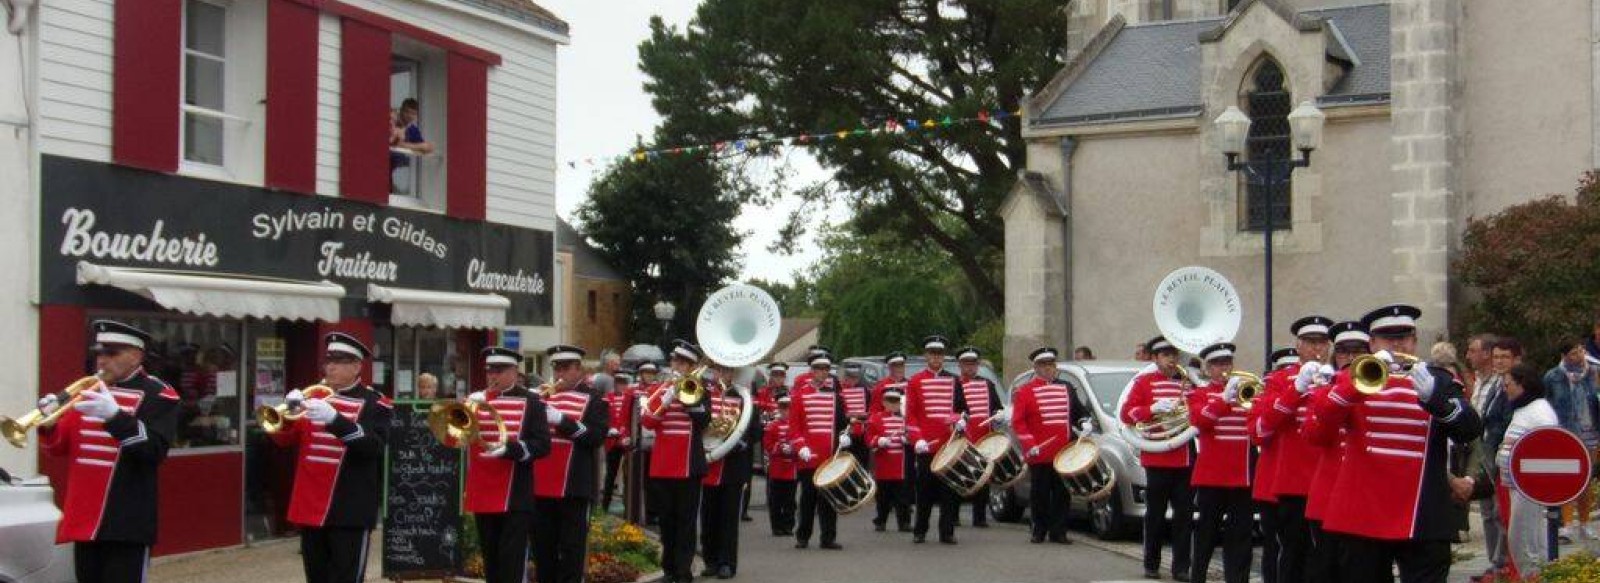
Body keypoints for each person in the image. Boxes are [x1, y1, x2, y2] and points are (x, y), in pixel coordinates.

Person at [1312, 304, 1481, 583]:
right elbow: (1322, 416)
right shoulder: (1349, 378)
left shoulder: (1439, 380)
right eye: (1386, 337)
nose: (1395, 343)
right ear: (1372, 343)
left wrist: (1435, 400)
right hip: (1363, 510)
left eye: (1403, 336)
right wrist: (1356, 382)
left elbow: (1470, 429)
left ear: (1414, 342)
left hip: (1422, 510)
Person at [36, 321, 179, 583]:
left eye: (112, 354)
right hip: (83, 519)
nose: (102, 361)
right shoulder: (85, 391)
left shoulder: (159, 395)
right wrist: (48, 425)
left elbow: (154, 451)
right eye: (99, 353)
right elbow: (57, 449)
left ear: (136, 356)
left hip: (126, 520)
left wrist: (114, 417)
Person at [268, 332, 393, 583]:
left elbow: (374, 447)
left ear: (357, 366)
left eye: (340, 361)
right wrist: (288, 413)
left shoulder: (376, 403)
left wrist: (335, 420)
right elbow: (285, 441)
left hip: (349, 510)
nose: (331, 367)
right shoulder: (313, 397)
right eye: (328, 361)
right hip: (310, 507)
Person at [461, 347, 552, 583]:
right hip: (483, 491)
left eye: (499, 370)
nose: (492, 376)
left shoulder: (532, 402)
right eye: (489, 370)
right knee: (491, 561)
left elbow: (542, 445)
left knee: (511, 563)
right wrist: (466, 411)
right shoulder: (476, 400)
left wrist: (510, 449)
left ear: (514, 371)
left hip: (515, 493)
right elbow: (454, 438)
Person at [1258, 315, 1334, 583]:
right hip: (1296, 482)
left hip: (1331, 480)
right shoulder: (1281, 380)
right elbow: (1264, 424)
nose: (1316, 349)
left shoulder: (1341, 376)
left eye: (1322, 343)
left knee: (1327, 558)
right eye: (1310, 342)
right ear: (1298, 346)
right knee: (1293, 555)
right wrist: (1297, 388)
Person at [1468, 364, 1559, 580]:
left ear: (1522, 385)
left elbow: (1549, 449)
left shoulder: (1539, 411)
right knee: (1518, 540)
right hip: (1516, 487)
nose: (1505, 389)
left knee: (1528, 542)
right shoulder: (1523, 409)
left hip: (1530, 490)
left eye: (1508, 385)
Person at [1120, 335, 1195, 580]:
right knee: (1155, 515)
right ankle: (1151, 564)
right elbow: (1126, 414)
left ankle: (1181, 567)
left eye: (1174, 355)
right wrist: (1150, 410)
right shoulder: (1144, 383)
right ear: (1154, 358)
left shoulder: (1187, 382)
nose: (1171, 360)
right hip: (1157, 458)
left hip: (1184, 457)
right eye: (1165, 355)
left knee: (1184, 517)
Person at [1301, 321, 1369, 583]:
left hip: (1366, 494)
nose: (1351, 358)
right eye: (1344, 352)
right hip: (1330, 492)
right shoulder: (1325, 388)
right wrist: (1331, 393)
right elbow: (1314, 435)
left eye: (1358, 351)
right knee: (1325, 568)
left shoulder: (1381, 386)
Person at [641, 341, 712, 583]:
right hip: (662, 467)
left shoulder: (701, 389)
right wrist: (666, 401)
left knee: (686, 522)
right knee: (667, 522)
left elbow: (704, 421)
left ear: (692, 367)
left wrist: (687, 399)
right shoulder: (661, 389)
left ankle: (684, 572)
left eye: (682, 363)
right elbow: (647, 422)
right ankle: (669, 569)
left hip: (688, 467)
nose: (677, 366)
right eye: (675, 361)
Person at [1187, 342, 1254, 583]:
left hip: (1241, 475)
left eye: (1227, 363)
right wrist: (1224, 400)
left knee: (1240, 536)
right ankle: (1198, 577)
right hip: (1211, 476)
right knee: (1206, 533)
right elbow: (1200, 422)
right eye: (1217, 364)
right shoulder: (1199, 394)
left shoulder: (1247, 391)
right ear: (1208, 368)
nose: (1223, 368)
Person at [1009, 347, 1089, 544]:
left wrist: (1084, 422)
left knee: (1062, 494)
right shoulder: (1025, 391)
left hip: (1063, 452)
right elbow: (1018, 422)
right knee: (1040, 494)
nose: (1048, 369)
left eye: (1051, 365)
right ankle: (1038, 529)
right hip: (1039, 452)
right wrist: (1030, 443)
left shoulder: (1067, 387)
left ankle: (1059, 531)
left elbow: (1078, 412)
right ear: (1036, 367)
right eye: (1043, 365)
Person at [699, 363, 760, 579]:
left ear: (733, 374)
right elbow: (698, 423)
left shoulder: (744, 397)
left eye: (727, 371)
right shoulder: (704, 393)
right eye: (719, 370)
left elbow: (756, 430)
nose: (723, 374)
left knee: (728, 518)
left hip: (733, 467)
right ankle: (710, 560)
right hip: (709, 464)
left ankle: (727, 563)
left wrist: (741, 441)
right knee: (708, 516)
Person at [906, 335, 962, 544]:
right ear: (926, 356)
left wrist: (960, 420)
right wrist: (917, 438)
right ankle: (920, 530)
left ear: (944, 356)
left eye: (940, 354)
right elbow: (910, 414)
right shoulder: (915, 381)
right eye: (932, 354)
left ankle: (946, 532)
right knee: (925, 491)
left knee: (948, 491)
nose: (936, 358)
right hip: (925, 447)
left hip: (947, 446)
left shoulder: (953, 380)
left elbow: (961, 408)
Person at [788, 350, 848, 550]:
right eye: (819, 369)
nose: (822, 372)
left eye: (826, 369)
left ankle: (828, 538)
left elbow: (842, 423)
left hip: (830, 456)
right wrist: (800, 446)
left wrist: (844, 436)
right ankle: (803, 536)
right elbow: (794, 427)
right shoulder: (799, 395)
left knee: (829, 499)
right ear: (811, 371)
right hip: (809, 456)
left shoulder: (835, 396)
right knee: (808, 498)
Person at [1251, 346, 1299, 583]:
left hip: (1297, 482)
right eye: (1284, 370)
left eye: (1293, 368)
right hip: (1270, 484)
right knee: (1273, 547)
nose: (1290, 374)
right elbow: (1258, 433)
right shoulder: (1266, 396)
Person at [1545, 338, 1599, 541]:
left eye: (1580, 351)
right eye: (1574, 353)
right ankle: (1567, 524)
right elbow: (1548, 403)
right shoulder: (1553, 376)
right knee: (1567, 477)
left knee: (1587, 478)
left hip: (1589, 430)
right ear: (1564, 356)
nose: (1579, 356)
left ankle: (1585, 523)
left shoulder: (1593, 372)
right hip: (1566, 430)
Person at [953, 346, 1003, 528]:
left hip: (984, 438)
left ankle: (979, 516)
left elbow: (996, 408)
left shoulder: (987, 384)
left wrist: (998, 415)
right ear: (960, 365)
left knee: (983, 477)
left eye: (973, 364)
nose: (970, 367)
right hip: (962, 437)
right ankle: (954, 515)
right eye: (966, 364)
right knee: (960, 476)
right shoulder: (954, 384)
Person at [868, 388, 912, 532]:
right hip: (884, 463)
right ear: (884, 402)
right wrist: (878, 440)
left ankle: (904, 522)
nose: (893, 405)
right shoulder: (876, 418)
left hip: (901, 463)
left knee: (903, 497)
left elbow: (912, 436)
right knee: (883, 496)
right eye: (890, 402)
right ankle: (881, 521)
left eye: (896, 402)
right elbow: (869, 438)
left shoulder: (905, 420)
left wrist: (908, 439)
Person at [763, 396, 799, 537]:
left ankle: (789, 526)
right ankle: (776, 527)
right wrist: (780, 449)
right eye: (783, 408)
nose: (786, 412)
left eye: (788, 408)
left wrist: (794, 449)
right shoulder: (772, 426)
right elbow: (768, 445)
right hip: (777, 469)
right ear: (779, 409)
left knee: (790, 501)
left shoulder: (796, 425)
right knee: (776, 501)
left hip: (791, 470)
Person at [602, 366, 635, 513]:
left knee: (629, 474)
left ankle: (629, 507)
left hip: (626, 440)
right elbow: (604, 418)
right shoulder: (607, 397)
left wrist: (627, 435)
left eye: (624, 382)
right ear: (615, 383)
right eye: (619, 382)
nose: (621, 385)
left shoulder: (631, 398)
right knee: (611, 474)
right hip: (612, 440)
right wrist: (608, 429)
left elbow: (631, 419)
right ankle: (604, 506)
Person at [839, 362, 872, 470]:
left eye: (856, 377)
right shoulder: (839, 391)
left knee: (862, 465)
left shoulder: (865, 390)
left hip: (862, 434)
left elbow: (869, 411)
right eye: (850, 377)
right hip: (845, 434)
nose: (853, 380)